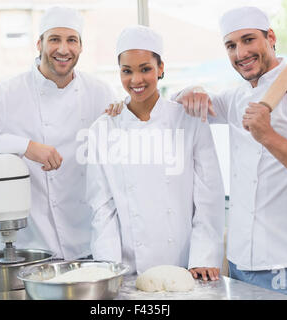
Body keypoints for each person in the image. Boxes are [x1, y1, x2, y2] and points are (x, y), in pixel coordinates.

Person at [174, 7, 287, 299]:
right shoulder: (235, 98)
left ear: (271, 37)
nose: (240, 53)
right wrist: (191, 89)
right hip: (242, 265)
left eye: (248, 40)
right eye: (231, 45)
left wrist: (268, 136)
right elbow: (182, 106)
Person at [0, 7, 116, 260]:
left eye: (72, 40)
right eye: (54, 39)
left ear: (81, 47)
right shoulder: (9, 93)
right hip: (33, 248)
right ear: (39, 44)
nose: (63, 49)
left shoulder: (99, 92)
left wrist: (182, 96)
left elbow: (140, 121)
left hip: (90, 245)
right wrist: (25, 146)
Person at [85, 25, 225, 280]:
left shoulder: (188, 120)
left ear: (161, 69)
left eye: (145, 69)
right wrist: (108, 269)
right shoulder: (103, 129)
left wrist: (203, 257)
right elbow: (101, 207)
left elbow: (208, 195)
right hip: (127, 268)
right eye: (127, 71)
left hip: (185, 267)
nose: (136, 80)